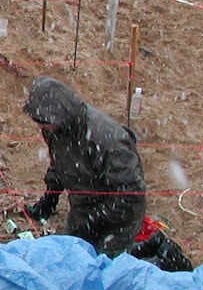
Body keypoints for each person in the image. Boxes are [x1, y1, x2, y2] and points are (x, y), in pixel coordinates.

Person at [21, 76, 147, 257]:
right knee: (72, 259)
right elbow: (60, 163)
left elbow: (130, 195)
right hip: (83, 205)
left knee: (107, 271)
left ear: (59, 114)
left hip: (118, 217)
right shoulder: (55, 128)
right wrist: (49, 200)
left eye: (44, 122)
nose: (41, 126)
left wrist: (94, 220)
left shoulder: (107, 140)